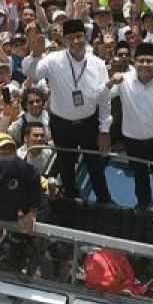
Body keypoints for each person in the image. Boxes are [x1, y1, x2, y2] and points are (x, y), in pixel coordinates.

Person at [22, 18, 113, 202]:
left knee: (94, 164)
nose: (76, 41)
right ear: (64, 41)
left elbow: (104, 99)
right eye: (71, 38)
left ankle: (104, 199)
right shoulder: (53, 60)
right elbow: (33, 73)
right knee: (66, 164)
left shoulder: (97, 63)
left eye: (79, 36)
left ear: (85, 37)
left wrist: (104, 129)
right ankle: (70, 198)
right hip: (62, 124)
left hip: (89, 123)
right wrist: (35, 54)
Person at [109, 42, 153, 209]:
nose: (145, 65)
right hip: (132, 141)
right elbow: (101, 97)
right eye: (141, 60)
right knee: (139, 177)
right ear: (134, 61)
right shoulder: (123, 81)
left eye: (149, 61)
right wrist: (110, 82)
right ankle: (143, 203)